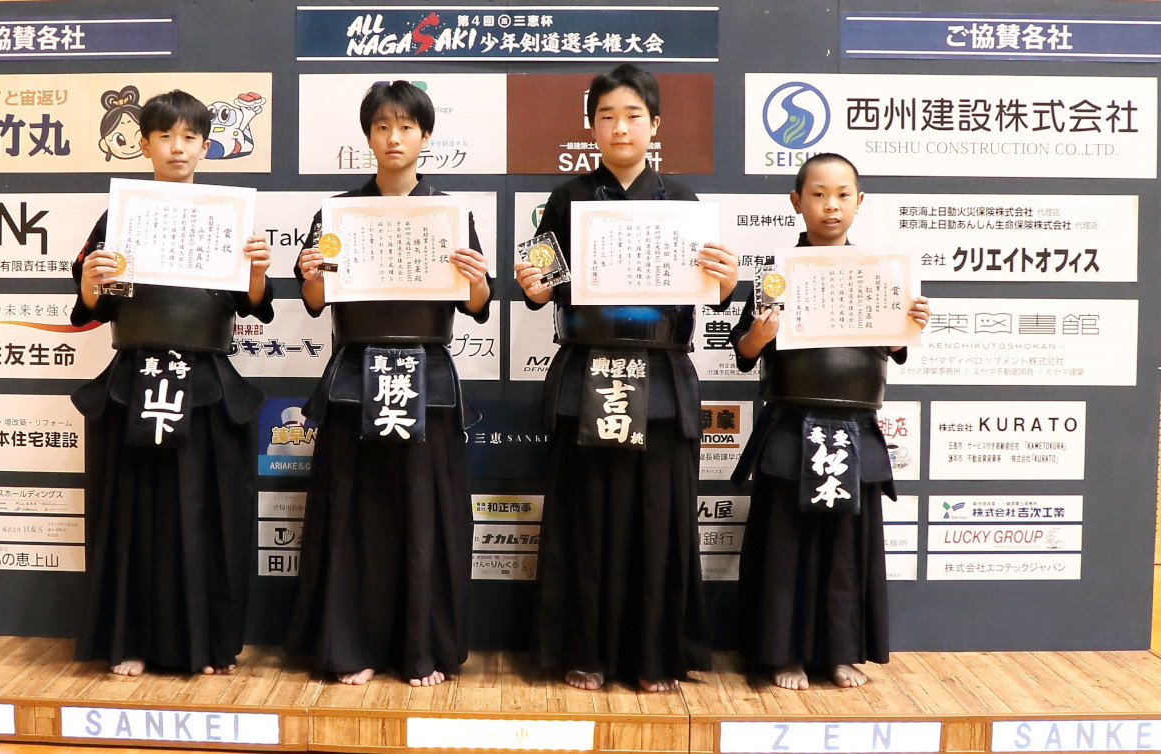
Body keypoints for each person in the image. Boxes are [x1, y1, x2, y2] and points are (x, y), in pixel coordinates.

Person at [514, 64, 738, 692]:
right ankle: (583, 651)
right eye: (607, 116)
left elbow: (713, 294)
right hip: (587, 370)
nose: (620, 127)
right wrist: (533, 285)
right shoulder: (566, 199)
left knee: (658, 520)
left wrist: (725, 281)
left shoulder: (682, 203)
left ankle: (653, 657)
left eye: (633, 116)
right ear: (591, 126)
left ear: (655, 125)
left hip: (661, 378)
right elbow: (540, 285)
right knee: (586, 518)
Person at [285, 81, 492, 687]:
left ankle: (421, 647)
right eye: (382, 127)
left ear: (426, 136)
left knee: (426, 517)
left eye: (405, 127)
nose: (393, 137)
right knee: (354, 514)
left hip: (428, 378)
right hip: (355, 375)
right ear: (368, 136)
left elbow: (478, 305)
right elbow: (315, 301)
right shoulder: (337, 214)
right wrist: (310, 274)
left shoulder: (451, 213)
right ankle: (352, 645)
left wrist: (478, 280)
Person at [70, 89, 274, 676]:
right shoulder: (118, 216)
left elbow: (255, 306)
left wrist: (258, 271)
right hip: (134, 379)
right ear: (145, 145)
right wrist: (90, 282)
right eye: (165, 136)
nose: (177, 148)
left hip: (206, 381)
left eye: (189, 137)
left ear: (206, 147)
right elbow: (90, 310)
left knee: (207, 515)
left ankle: (205, 644)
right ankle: (129, 640)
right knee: (132, 513)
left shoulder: (231, 214)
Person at [729, 153, 931, 690]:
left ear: (859, 202)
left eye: (842, 194)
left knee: (846, 550)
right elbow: (744, 352)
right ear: (797, 202)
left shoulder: (881, 274)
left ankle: (840, 653)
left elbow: (895, 347)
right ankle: (784, 655)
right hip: (792, 425)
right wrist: (760, 335)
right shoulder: (775, 275)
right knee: (785, 549)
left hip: (854, 428)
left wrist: (910, 322)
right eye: (818, 194)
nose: (831, 205)